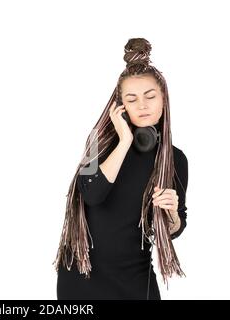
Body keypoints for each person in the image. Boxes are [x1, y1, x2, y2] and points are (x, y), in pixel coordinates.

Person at [53, 38, 189, 300]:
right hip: (82, 279)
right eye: (132, 98)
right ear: (120, 105)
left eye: (150, 96)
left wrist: (171, 213)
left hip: (136, 281)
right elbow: (92, 193)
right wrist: (125, 141)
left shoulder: (175, 159)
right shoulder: (95, 144)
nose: (143, 105)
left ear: (163, 99)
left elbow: (175, 229)